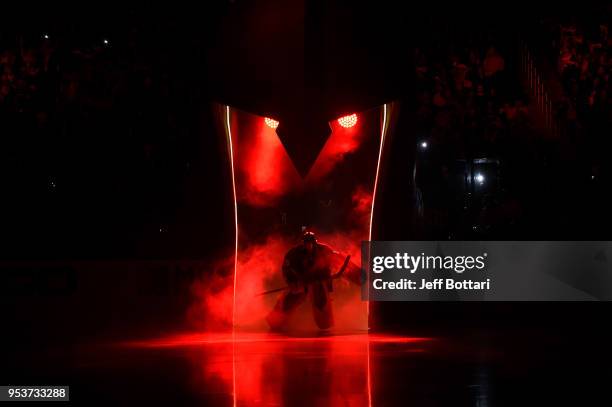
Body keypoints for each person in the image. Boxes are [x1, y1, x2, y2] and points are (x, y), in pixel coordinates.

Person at [266, 231, 359, 331]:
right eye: (306, 244)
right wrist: (291, 281)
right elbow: (286, 268)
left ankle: (325, 323)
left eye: (311, 243)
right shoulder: (293, 254)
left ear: (315, 243)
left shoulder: (324, 250)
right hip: (300, 282)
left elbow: (339, 260)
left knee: (321, 304)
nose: (309, 246)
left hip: (318, 281)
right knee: (289, 301)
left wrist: (358, 275)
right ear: (303, 244)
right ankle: (275, 321)